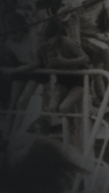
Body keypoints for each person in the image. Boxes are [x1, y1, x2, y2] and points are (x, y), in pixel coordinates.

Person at [36, 18, 91, 151]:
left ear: (56, 36)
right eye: (43, 40)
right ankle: (70, 124)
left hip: (78, 79)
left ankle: (72, 129)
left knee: (64, 107)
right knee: (52, 107)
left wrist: (63, 62)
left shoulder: (67, 42)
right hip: (62, 80)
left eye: (48, 39)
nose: (46, 43)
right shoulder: (42, 47)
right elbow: (41, 65)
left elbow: (85, 58)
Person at [0, 13, 48, 136]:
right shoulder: (9, 42)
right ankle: (6, 133)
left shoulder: (33, 38)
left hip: (35, 70)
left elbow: (37, 63)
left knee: (22, 102)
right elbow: (8, 56)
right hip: (21, 68)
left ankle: (15, 134)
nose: (13, 37)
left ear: (22, 30)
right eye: (10, 33)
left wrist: (15, 70)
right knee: (12, 103)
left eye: (15, 33)